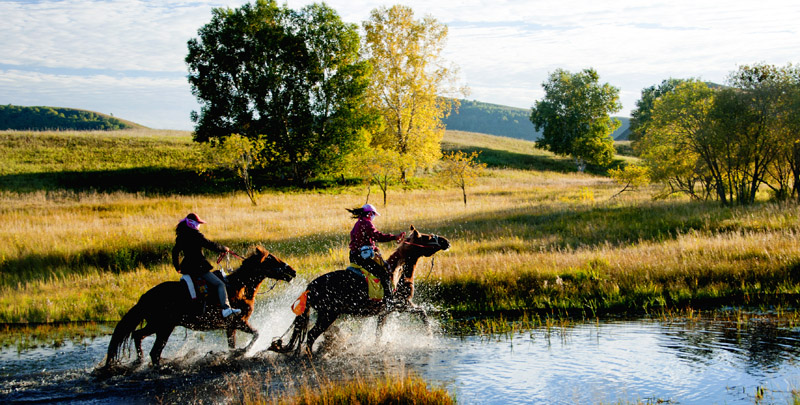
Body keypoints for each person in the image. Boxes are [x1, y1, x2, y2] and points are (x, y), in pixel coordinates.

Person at [172, 213, 241, 318]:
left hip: (187, 268)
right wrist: (224, 249)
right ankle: (226, 309)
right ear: (193, 224)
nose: (199, 225)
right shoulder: (196, 235)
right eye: (198, 223)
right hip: (199, 268)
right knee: (220, 284)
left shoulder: (181, 236)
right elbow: (210, 245)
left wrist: (177, 267)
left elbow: (175, 252)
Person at [347, 204, 404, 308]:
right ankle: (389, 301)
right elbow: (377, 236)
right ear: (369, 214)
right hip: (363, 258)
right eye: (373, 214)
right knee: (384, 274)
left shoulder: (358, 223)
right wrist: (394, 237)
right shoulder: (367, 223)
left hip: (354, 256)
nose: (373, 217)